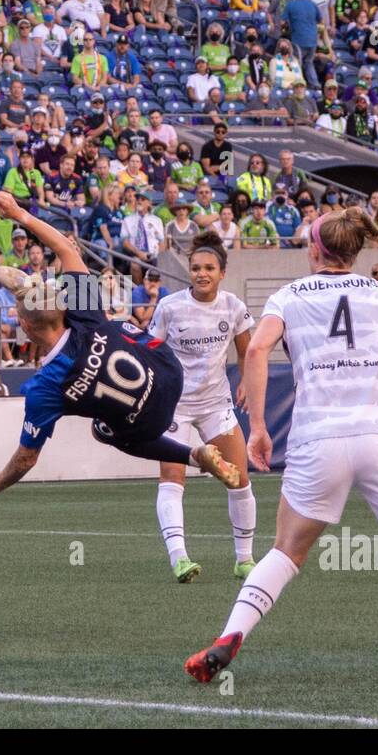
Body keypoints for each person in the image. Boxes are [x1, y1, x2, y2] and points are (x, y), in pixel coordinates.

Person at [184, 205, 378, 688]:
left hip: (318, 437)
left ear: (314, 250)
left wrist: (260, 425)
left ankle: (229, 637)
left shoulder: (287, 296)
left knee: (286, 551)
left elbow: (259, 349)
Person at [0, 192, 240, 507]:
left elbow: (25, 459)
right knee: (121, 327)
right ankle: (194, 449)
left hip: (148, 419)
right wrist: (19, 213)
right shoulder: (84, 314)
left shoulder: (44, 389)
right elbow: (64, 247)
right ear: (63, 309)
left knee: (105, 431)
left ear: (27, 329)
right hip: (170, 372)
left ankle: (193, 456)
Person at [147, 230, 256, 583]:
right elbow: (151, 351)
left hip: (216, 404)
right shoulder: (170, 306)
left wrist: (245, 382)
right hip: (174, 406)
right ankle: (180, 558)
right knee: (172, 480)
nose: (201, 273)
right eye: (195, 268)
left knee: (238, 479)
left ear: (221, 272)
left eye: (209, 267)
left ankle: (244, 559)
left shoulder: (234, 307)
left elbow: (249, 352)